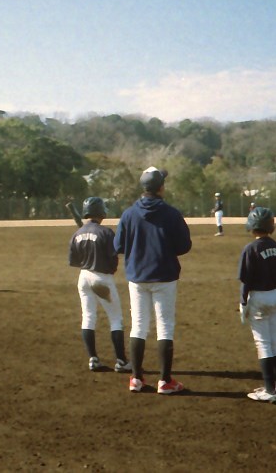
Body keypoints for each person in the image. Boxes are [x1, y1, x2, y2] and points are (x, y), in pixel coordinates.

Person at [115, 167, 192, 394]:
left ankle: (136, 379)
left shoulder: (128, 214)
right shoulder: (171, 213)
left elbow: (118, 246)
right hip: (165, 276)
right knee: (165, 327)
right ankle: (165, 381)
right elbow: (184, 246)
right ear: (160, 187)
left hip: (137, 277)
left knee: (138, 325)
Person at [68, 197, 131, 373]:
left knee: (88, 316)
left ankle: (93, 359)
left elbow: (74, 260)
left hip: (84, 277)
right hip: (102, 277)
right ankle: (121, 361)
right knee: (116, 318)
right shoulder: (106, 232)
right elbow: (114, 257)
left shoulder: (77, 234)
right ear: (101, 212)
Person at [238, 207, 276, 404]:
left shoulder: (250, 249)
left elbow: (245, 281)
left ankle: (269, 389)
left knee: (263, 343)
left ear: (252, 227)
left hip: (258, 298)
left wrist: (243, 303)